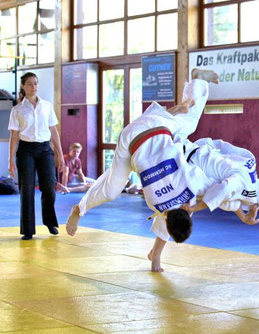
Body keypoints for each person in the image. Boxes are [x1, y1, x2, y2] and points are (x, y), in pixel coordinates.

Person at [66, 69, 219, 236]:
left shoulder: (191, 186)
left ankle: (192, 89)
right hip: (132, 139)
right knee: (111, 189)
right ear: (166, 218)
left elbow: (213, 187)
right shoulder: (156, 204)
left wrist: (198, 203)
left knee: (189, 122)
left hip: (158, 126)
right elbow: (169, 213)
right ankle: (79, 208)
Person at [148, 137, 259, 272]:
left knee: (178, 211)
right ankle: (155, 255)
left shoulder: (249, 162)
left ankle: (155, 253)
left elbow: (222, 146)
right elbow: (224, 190)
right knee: (177, 212)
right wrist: (195, 207)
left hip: (196, 156)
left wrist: (243, 217)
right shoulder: (250, 190)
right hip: (188, 165)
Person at [8, 72, 64, 240]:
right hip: (25, 151)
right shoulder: (17, 109)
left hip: (45, 149)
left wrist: (60, 155)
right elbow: (14, 136)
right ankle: (27, 229)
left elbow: (54, 131)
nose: (34, 87)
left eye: (36, 83)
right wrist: (11, 160)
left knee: (49, 187)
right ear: (23, 87)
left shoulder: (46, 106)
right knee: (27, 190)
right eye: (30, 84)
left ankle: (50, 222)